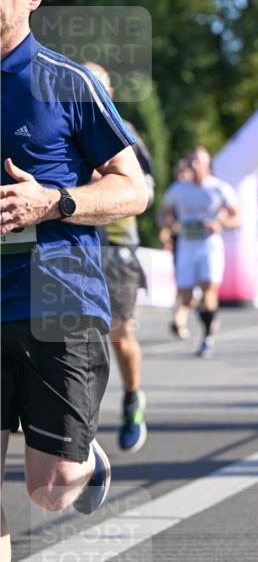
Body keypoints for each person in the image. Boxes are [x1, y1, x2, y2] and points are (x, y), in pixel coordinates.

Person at [0, 0, 148, 562]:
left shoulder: (65, 79)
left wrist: (52, 200)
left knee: (46, 486)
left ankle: (84, 463)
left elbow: (134, 186)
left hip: (57, 300)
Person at [84, 62, 154, 453]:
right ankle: (78, 425)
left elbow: (147, 190)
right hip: (74, 247)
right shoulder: (60, 130)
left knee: (119, 333)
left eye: (96, 85)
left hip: (116, 247)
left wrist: (104, 188)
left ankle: (131, 398)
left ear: (108, 94)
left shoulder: (125, 133)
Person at [159, 146, 241, 357]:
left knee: (208, 290)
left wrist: (220, 224)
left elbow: (237, 217)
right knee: (185, 295)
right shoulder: (179, 189)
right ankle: (205, 318)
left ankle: (207, 337)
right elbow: (164, 212)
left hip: (209, 246)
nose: (194, 165)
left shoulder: (219, 188)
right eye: (191, 161)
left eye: (199, 161)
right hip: (187, 245)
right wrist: (169, 224)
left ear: (207, 165)